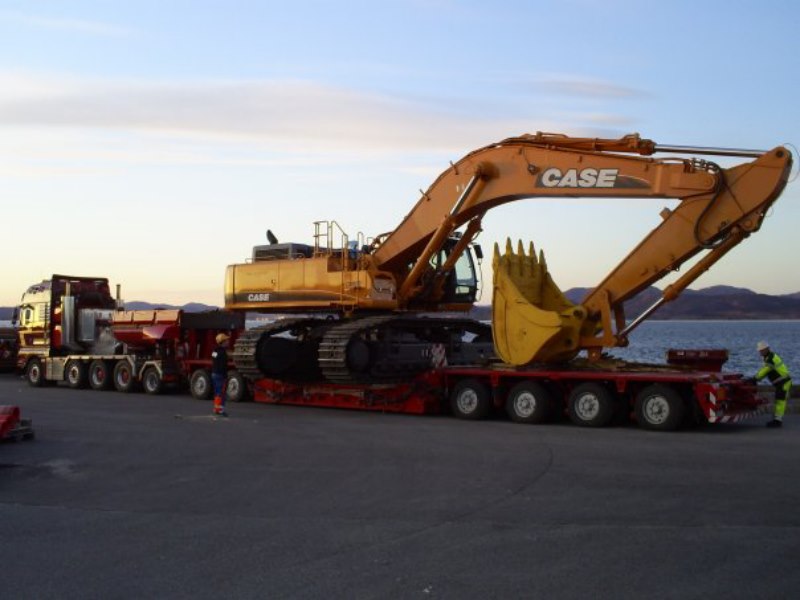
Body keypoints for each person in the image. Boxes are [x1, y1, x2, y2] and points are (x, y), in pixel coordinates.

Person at [754, 341, 792, 428]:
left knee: (780, 401)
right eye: (759, 350)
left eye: (761, 350)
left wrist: (755, 378)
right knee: (779, 401)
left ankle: (777, 421)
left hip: (783, 382)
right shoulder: (769, 357)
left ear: (766, 349)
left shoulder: (771, 358)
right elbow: (764, 370)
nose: (760, 352)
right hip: (782, 382)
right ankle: (777, 419)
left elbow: (765, 370)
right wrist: (756, 378)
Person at [211, 333, 230, 417]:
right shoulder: (223, 353)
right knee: (221, 393)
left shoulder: (215, 351)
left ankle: (216, 408)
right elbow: (223, 365)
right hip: (220, 374)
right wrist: (225, 375)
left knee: (217, 392)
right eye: (226, 340)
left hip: (214, 373)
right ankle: (220, 410)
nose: (228, 342)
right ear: (223, 342)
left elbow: (213, 359)